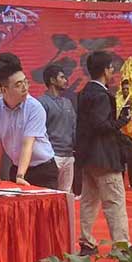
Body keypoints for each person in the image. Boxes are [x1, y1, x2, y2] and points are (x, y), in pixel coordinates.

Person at [75, 51, 132, 254]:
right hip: (104, 157)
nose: (113, 71)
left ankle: (87, 242)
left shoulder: (84, 93)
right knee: (114, 201)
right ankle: (121, 246)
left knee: (89, 201)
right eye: (111, 67)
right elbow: (101, 125)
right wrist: (122, 121)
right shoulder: (101, 95)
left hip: (88, 157)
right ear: (105, 70)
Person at [0, 61, 59, 189]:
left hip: (43, 170)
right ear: (4, 90)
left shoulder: (35, 107)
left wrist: (20, 176)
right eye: (19, 85)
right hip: (16, 168)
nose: (25, 87)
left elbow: (27, 143)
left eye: (25, 82)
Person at [38, 64, 76, 192]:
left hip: (69, 155)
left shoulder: (68, 103)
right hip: (51, 156)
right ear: (52, 80)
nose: (66, 81)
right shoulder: (41, 103)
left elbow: (74, 128)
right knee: (52, 193)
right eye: (62, 77)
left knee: (66, 194)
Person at [117, 79, 132, 190]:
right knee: (120, 158)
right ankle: (120, 183)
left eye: (128, 89)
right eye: (124, 89)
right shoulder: (118, 102)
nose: (126, 91)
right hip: (121, 134)